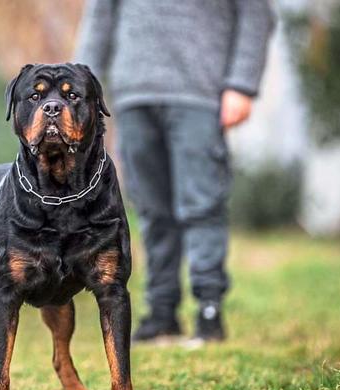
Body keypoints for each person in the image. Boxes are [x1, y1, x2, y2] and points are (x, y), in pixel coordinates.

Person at [75, 0, 275, 344]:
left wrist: (241, 84)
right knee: (151, 209)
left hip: (199, 93)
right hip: (133, 95)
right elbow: (99, 20)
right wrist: (78, 90)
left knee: (201, 204)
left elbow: (256, 13)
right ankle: (162, 312)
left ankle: (209, 310)